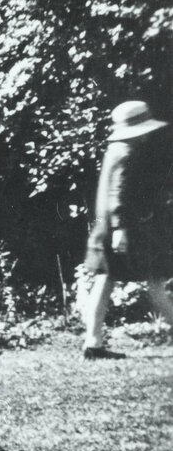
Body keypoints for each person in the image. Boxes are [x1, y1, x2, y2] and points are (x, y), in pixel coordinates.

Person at [83, 100, 173, 359]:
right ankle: (92, 342)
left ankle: (93, 343)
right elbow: (118, 193)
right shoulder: (128, 153)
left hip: (106, 225)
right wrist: (121, 228)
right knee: (155, 280)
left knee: (105, 280)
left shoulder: (117, 148)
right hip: (121, 227)